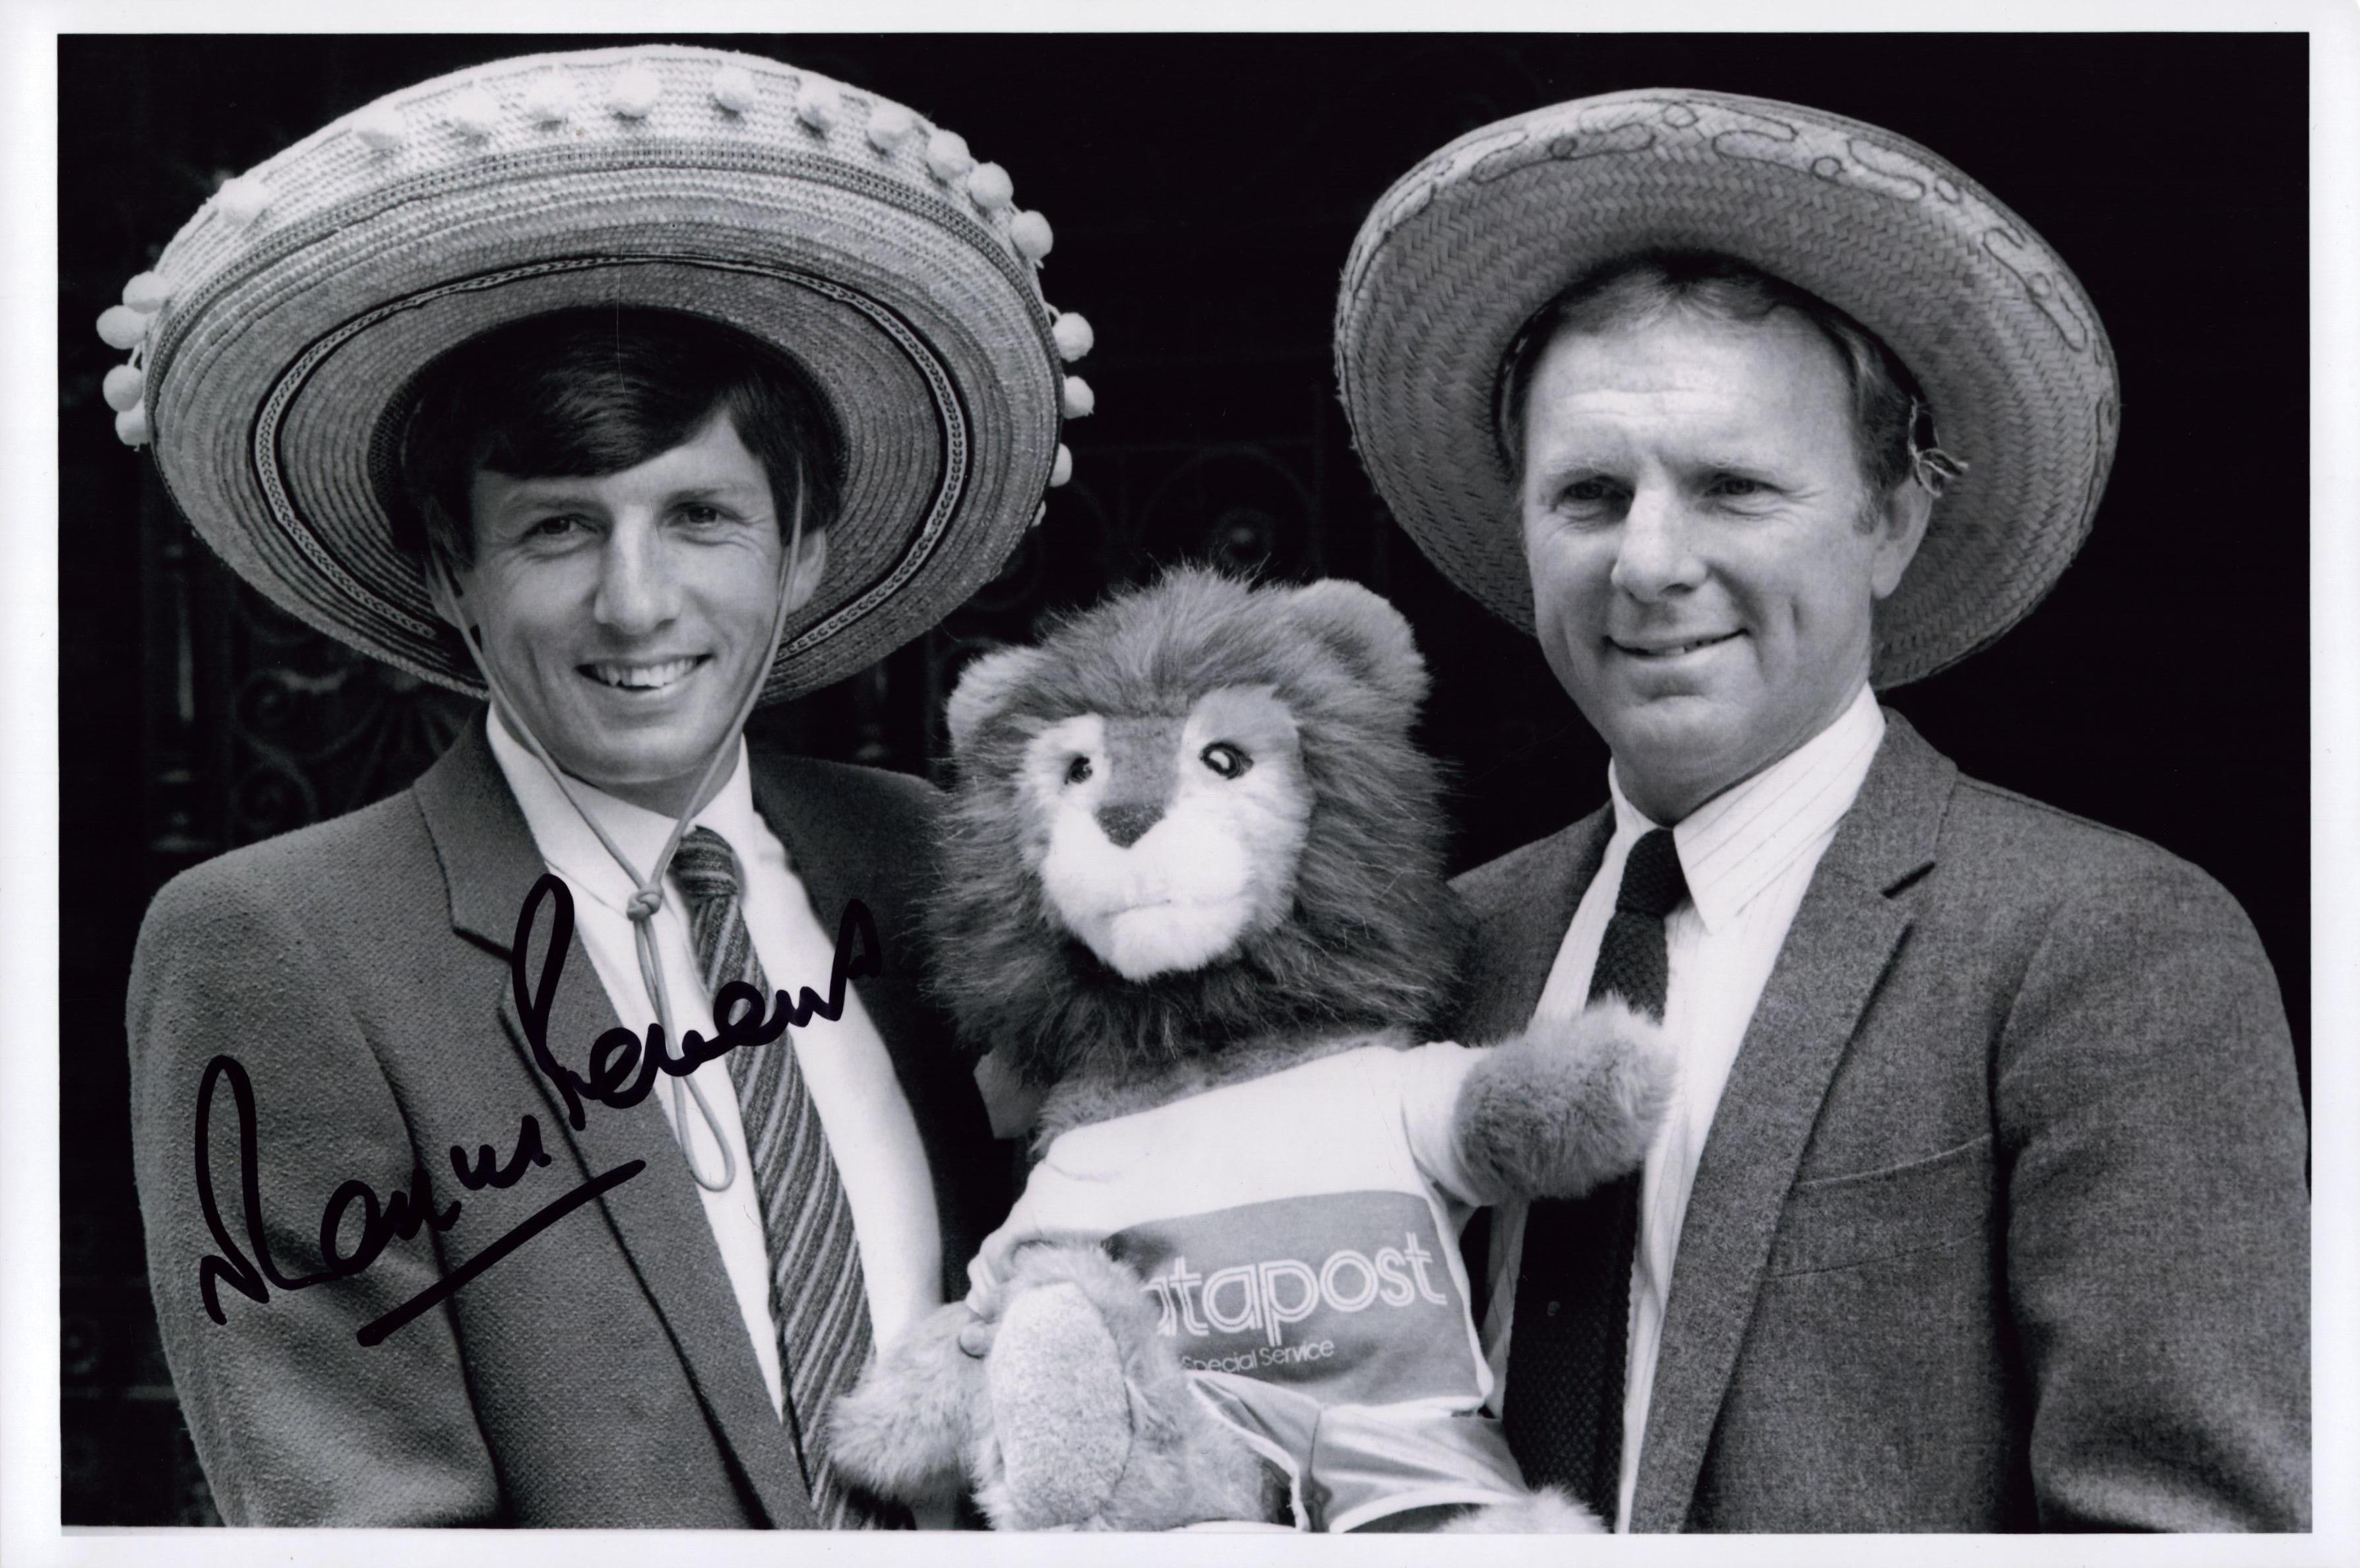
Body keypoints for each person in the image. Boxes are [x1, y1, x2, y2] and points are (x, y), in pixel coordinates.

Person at [116, 44, 1095, 1527]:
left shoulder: (936, 861)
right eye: (559, 530)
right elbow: (358, 1515)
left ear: (804, 549)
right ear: (451, 569)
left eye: (699, 515)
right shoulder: (278, 945)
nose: (635, 604)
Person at [1334, 88, 2309, 1531]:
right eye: (1591, 494)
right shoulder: (1437, 948)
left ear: (1891, 521)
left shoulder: (2107, 949)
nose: (1651, 561)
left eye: (1733, 487)